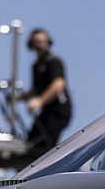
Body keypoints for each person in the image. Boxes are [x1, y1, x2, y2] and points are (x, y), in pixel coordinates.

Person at [24, 27, 72, 161]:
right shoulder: (35, 65)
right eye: (36, 42)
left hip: (58, 111)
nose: (39, 45)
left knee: (46, 147)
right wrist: (19, 98)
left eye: (42, 41)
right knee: (32, 142)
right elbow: (35, 89)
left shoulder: (53, 61)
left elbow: (58, 84)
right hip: (46, 112)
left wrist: (39, 101)